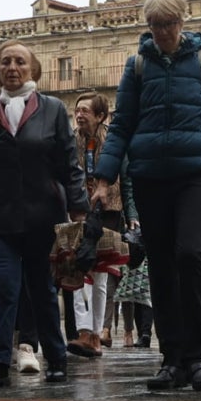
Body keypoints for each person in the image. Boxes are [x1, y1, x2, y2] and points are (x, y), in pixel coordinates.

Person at [92, 0, 201, 392]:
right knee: (161, 263)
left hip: (197, 173)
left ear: (182, 22)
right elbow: (122, 124)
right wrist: (104, 178)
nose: (162, 32)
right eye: (154, 25)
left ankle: (196, 357)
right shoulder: (137, 66)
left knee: (190, 254)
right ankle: (170, 358)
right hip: (149, 174)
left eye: (168, 24)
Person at [0, 40, 90, 388]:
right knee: (5, 285)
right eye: (5, 62)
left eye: (20, 61)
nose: (12, 67)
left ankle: (56, 357)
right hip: (1, 217)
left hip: (43, 216)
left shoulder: (52, 109)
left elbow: (69, 163)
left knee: (42, 289)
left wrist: (78, 208)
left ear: (32, 69)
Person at [69, 92, 128, 357]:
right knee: (76, 267)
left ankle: (96, 333)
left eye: (85, 111)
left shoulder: (115, 141)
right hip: (78, 209)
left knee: (101, 274)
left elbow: (127, 179)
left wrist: (133, 214)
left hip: (109, 211)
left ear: (101, 116)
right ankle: (83, 331)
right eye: (77, 110)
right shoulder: (70, 141)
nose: (79, 115)